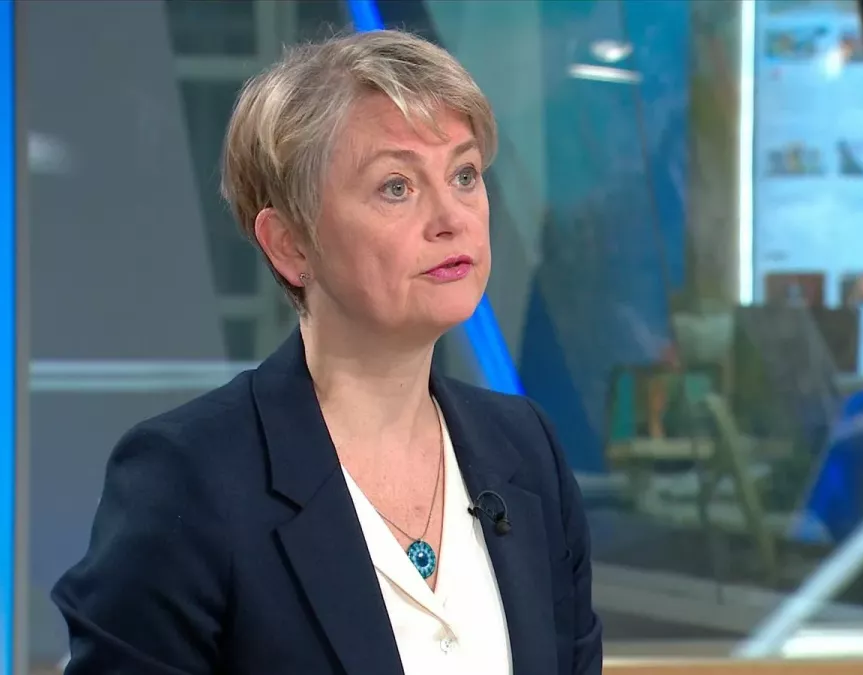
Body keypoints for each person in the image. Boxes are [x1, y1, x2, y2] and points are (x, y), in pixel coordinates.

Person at [52, 29, 602, 675]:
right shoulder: (187, 477)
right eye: (396, 186)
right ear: (290, 244)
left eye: (464, 174)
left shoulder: (526, 449)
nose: (452, 218)